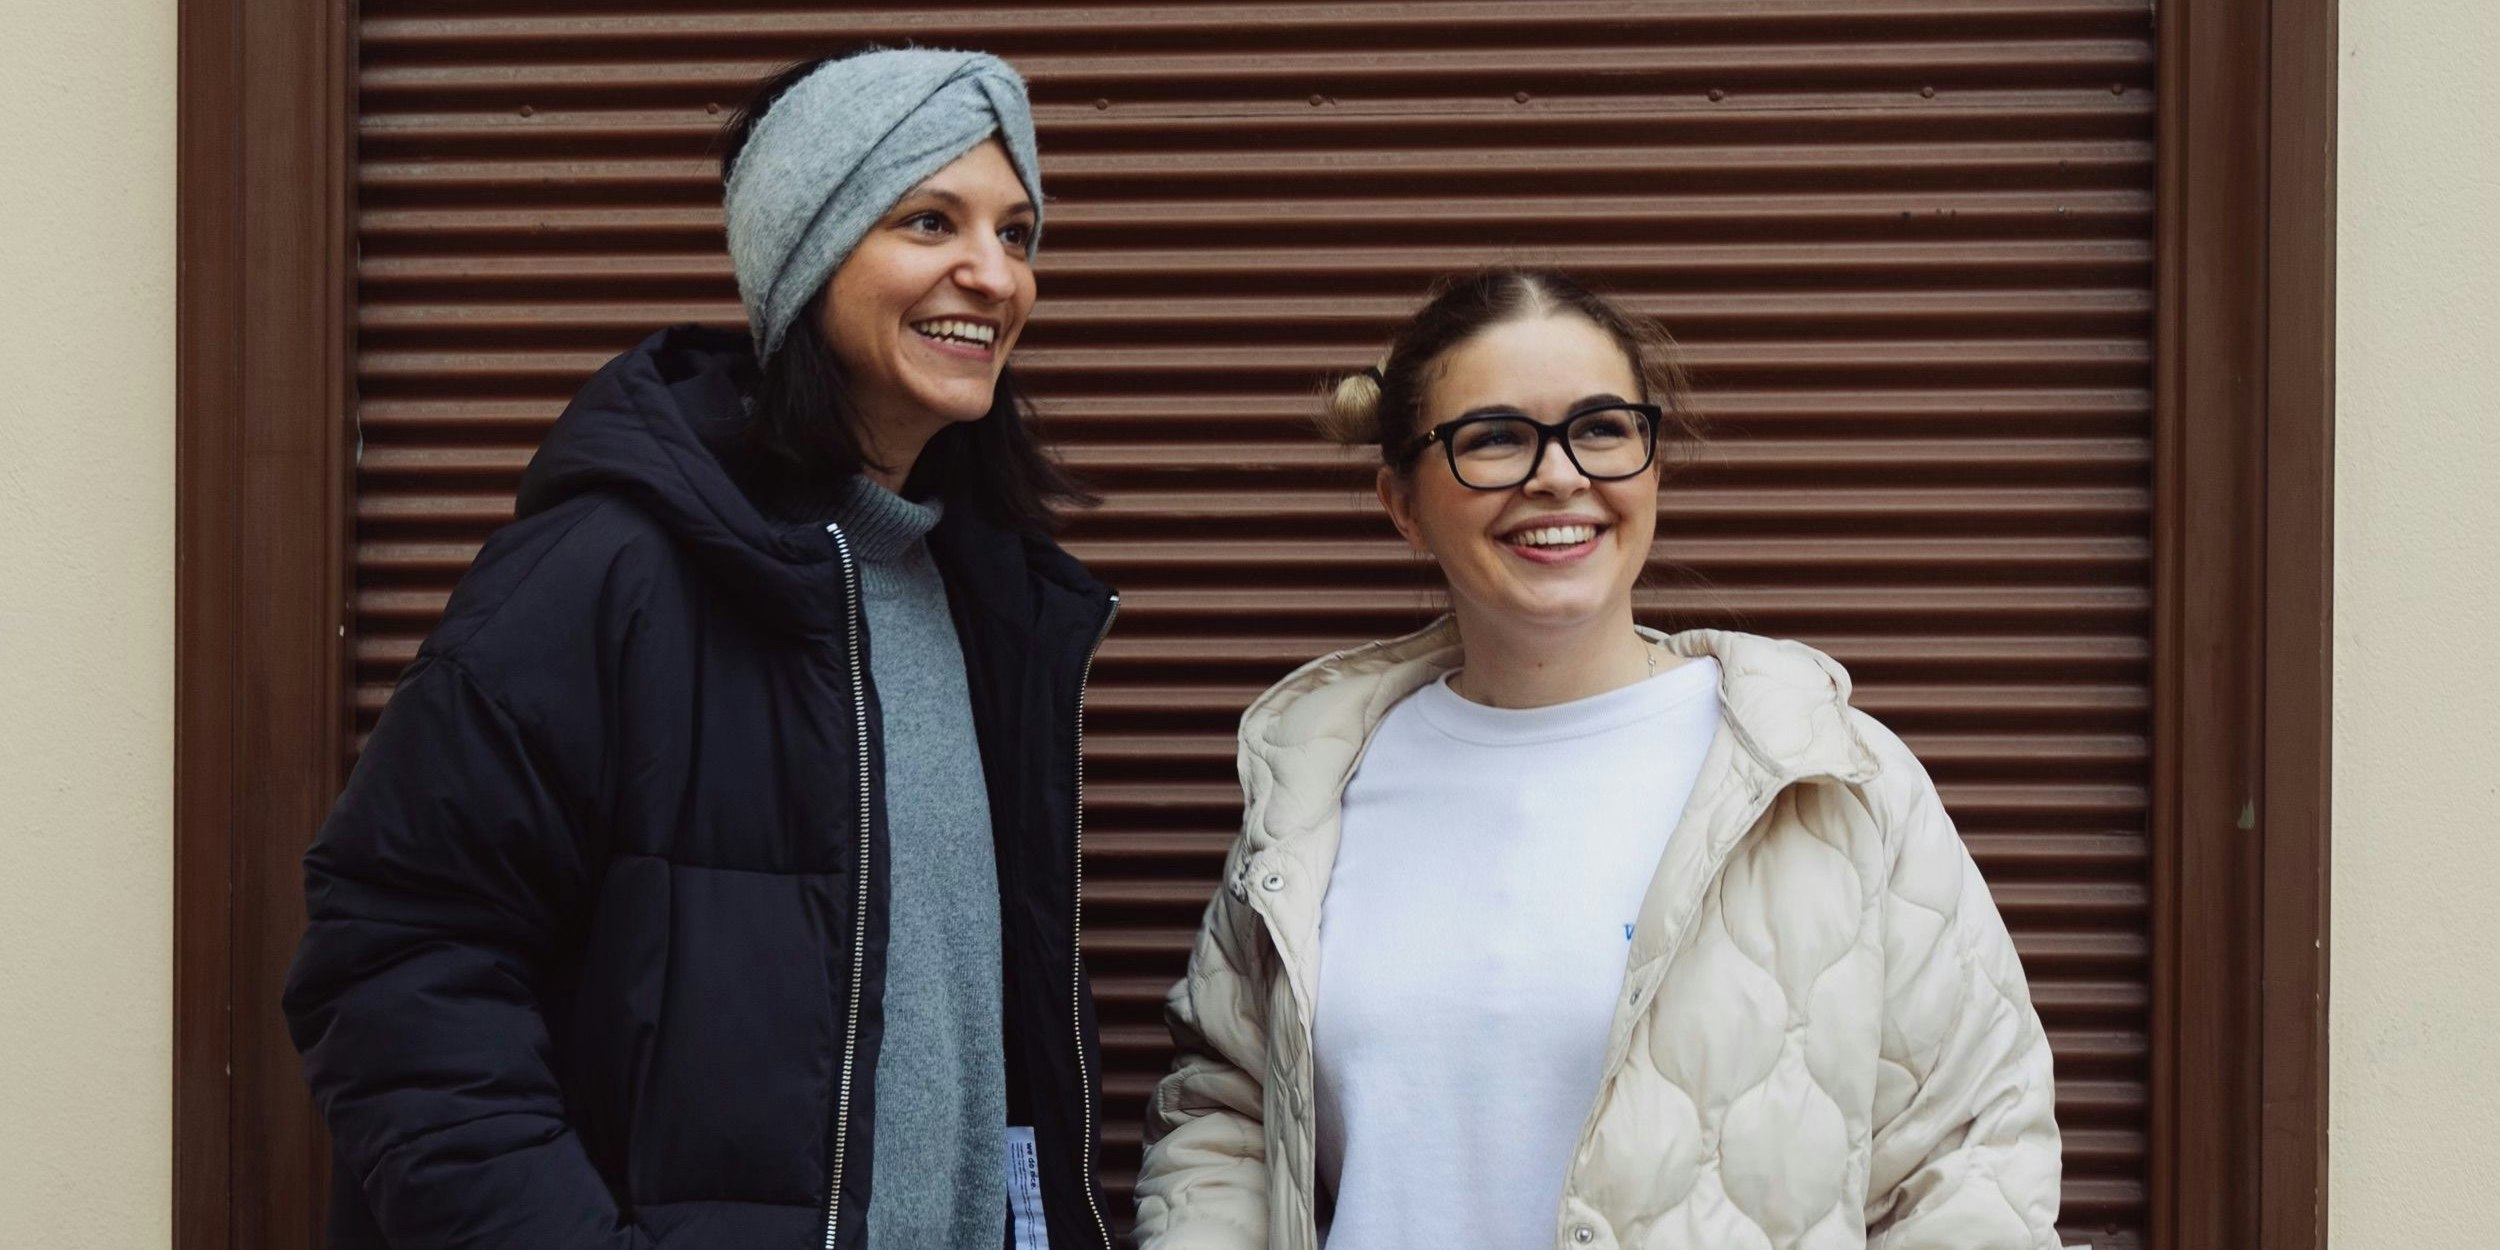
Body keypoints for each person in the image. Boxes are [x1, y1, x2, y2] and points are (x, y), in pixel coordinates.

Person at [282, 48, 1119, 1250]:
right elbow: (393, 967)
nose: (992, 275)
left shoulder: (984, 595)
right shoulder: (605, 573)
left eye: (1018, 231)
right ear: (805, 255)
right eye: (929, 220)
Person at [1131, 267, 2062, 1249]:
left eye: (1602, 428)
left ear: (1653, 462)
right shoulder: (1314, 787)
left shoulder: (1825, 778)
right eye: (1492, 436)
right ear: (1400, 501)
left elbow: (1970, 1163)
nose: (1560, 475)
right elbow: (1226, 1110)